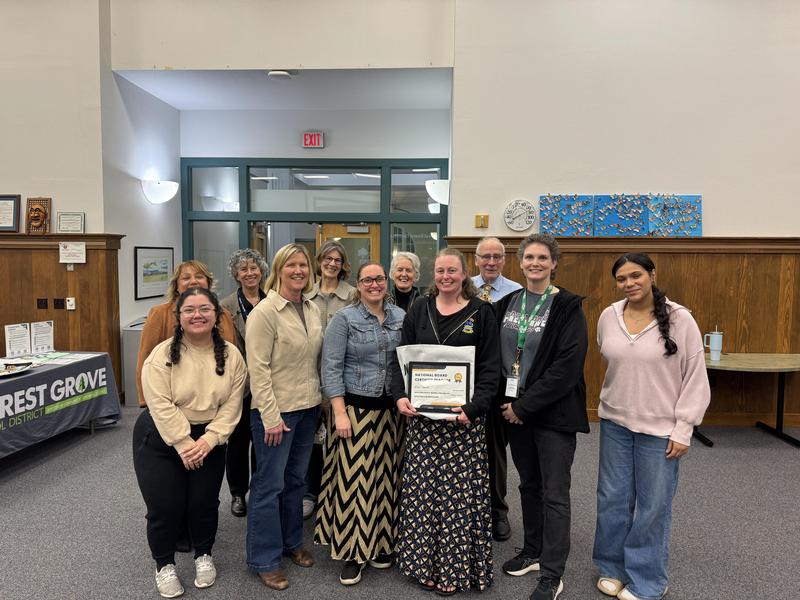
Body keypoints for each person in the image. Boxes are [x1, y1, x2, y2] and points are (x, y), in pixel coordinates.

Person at [593, 253, 710, 600]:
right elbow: (610, 358)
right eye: (621, 278)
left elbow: (695, 377)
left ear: (652, 275)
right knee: (612, 499)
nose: (629, 283)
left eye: (636, 275)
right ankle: (611, 567)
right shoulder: (608, 316)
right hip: (615, 423)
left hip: (661, 430)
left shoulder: (680, 319)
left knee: (653, 505)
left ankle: (646, 580)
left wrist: (684, 427)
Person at [389, 247, 500, 596]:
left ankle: (454, 569)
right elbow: (400, 359)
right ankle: (424, 565)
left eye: (452, 270)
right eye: (440, 271)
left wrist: (475, 407)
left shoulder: (482, 313)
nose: (445, 276)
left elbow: (490, 369)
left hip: (463, 423)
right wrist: (399, 396)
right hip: (423, 422)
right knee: (422, 496)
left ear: (465, 274)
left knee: (457, 501)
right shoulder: (419, 308)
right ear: (433, 274)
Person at [134, 287, 247, 598]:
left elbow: (233, 405)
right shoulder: (161, 355)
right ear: (179, 317)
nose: (197, 315)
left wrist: (209, 440)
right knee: (165, 507)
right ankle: (164, 564)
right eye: (190, 310)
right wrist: (184, 443)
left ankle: (203, 555)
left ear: (216, 315)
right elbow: (159, 404)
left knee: (203, 503)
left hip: (210, 439)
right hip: (161, 439)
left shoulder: (232, 356)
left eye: (205, 309)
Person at [495, 233, 589, 600]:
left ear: (554, 263)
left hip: (551, 415)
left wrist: (524, 405)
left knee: (555, 493)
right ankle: (532, 551)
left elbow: (566, 368)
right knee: (528, 485)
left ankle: (552, 573)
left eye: (542, 258)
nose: (535, 263)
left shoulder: (567, 307)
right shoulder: (507, 303)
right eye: (529, 257)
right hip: (513, 414)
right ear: (520, 263)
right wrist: (510, 407)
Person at [315, 262, 405, 586]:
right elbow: (331, 368)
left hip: (392, 414)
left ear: (386, 282)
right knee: (356, 483)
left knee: (385, 480)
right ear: (358, 284)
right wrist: (339, 413)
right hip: (355, 412)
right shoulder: (345, 319)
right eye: (367, 279)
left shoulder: (400, 318)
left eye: (379, 278)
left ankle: (380, 545)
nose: (374, 284)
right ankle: (353, 552)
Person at [245, 243, 324, 591]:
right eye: (291, 265)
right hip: (274, 413)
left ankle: (292, 543)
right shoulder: (265, 312)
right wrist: (271, 416)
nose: (298, 271)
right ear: (278, 269)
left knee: (295, 482)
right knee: (268, 486)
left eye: (303, 265)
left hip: (307, 410)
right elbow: (257, 369)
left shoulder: (311, 306)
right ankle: (264, 559)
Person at [471, 236, 522, 542]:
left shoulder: (518, 293)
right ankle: (467, 511)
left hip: (501, 384)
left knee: (494, 452)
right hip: (463, 383)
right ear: (475, 259)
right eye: (485, 256)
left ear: (505, 260)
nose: (491, 262)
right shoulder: (463, 288)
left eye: (497, 257)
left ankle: (497, 511)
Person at [302, 240, 356, 519]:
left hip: (340, 381)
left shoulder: (353, 295)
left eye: (337, 259)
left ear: (343, 264)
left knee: (338, 439)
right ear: (319, 261)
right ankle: (310, 493)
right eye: (327, 258)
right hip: (309, 377)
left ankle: (334, 494)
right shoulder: (305, 294)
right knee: (311, 441)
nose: (332, 264)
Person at [136, 260, 237, 408]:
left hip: (217, 401)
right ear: (176, 285)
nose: (193, 281)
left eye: (199, 276)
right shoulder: (159, 314)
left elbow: (233, 359)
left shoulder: (224, 315)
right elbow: (145, 359)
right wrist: (147, 400)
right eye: (186, 278)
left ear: (208, 283)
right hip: (171, 402)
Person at [219, 248, 269, 518]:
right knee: (238, 442)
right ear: (236, 275)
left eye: (254, 268)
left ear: (262, 271)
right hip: (238, 384)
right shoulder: (225, 306)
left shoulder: (272, 301)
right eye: (243, 270)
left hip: (266, 382)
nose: (249, 273)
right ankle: (238, 492)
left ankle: (258, 488)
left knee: (262, 439)